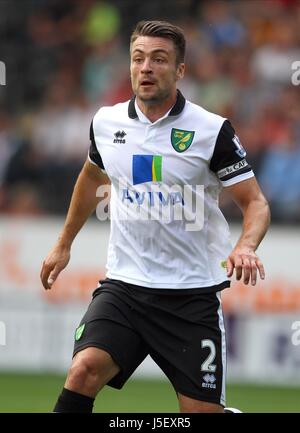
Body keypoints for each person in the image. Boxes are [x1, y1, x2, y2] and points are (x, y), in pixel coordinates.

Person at [40, 20, 270, 413]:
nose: (146, 68)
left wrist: (246, 245)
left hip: (191, 297)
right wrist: (63, 243)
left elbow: (255, 202)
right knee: (83, 371)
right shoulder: (106, 123)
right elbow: (91, 176)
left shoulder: (210, 131)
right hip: (125, 288)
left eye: (159, 59)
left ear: (180, 70)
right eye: (138, 58)